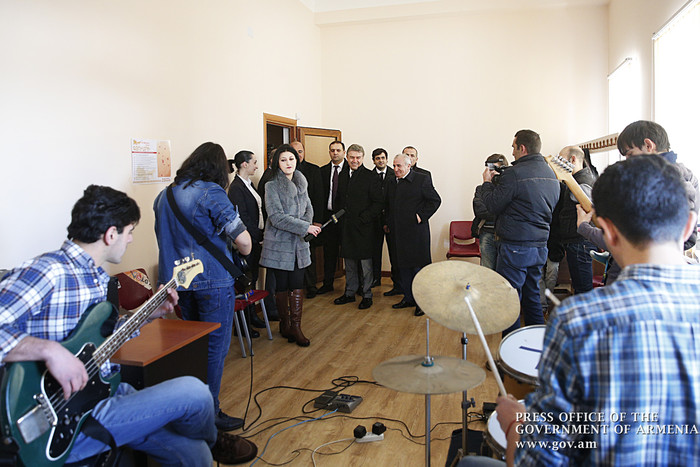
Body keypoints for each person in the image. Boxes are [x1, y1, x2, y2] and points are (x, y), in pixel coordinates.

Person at [0, 185, 256, 465]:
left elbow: (99, 343)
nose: (131, 240)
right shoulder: (49, 271)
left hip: (103, 394)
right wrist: (50, 351)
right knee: (195, 392)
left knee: (196, 455)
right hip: (65, 419)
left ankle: (207, 443)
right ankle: (213, 438)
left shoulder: (96, 279)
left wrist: (148, 315)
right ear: (111, 234)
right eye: (129, 232)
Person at [492, 154, 700, 466]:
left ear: (608, 233)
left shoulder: (578, 321)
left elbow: (536, 461)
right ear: (688, 226)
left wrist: (513, 424)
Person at [154, 142, 253, 432]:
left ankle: (192, 408)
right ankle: (209, 413)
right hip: (213, 280)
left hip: (178, 283)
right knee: (214, 350)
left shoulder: (164, 196)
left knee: (193, 349)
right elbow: (244, 242)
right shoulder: (211, 192)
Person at [476, 129, 560, 334]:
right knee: (532, 297)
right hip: (539, 246)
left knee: (510, 301)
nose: (512, 152)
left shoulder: (514, 174)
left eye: (513, 147)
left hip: (515, 247)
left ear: (522, 148)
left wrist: (486, 183)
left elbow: (492, 205)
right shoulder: (551, 174)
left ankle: (509, 351)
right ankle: (534, 346)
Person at [259, 144, 321, 346]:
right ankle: (285, 324)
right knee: (282, 286)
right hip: (279, 243)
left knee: (297, 284)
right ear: (277, 163)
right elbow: (276, 217)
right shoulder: (271, 185)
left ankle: (296, 326)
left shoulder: (302, 181)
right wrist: (304, 227)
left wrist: (306, 226)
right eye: (283, 160)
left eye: (291, 159)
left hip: (299, 243)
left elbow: (309, 208)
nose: (288, 163)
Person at [385, 153, 441, 316]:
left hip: (416, 233)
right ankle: (408, 298)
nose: (395, 169)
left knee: (418, 269)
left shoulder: (422, 179)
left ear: (409, 166)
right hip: (398, 233)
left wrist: (420, 216)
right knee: (403, 267)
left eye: (399, 166)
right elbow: (388, 205)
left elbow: (435, 200)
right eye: (394, 165)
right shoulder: (391, 181)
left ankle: (421, 303)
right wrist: (388, 222)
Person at [332, 144, 383, 310]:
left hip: (364, 228)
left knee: (366, 265)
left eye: (358, 158)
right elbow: (340, 199)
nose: (355, 160)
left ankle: (367, 295)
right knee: (349, 263)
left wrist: (364, 218)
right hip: (346, 227)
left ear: (362, 158)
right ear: (347, 157)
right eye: (352, 157)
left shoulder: (371, 176)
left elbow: (378, 203)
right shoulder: (343, 175)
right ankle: (349, 293)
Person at [548, 145, 597, 295]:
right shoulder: (574, 180)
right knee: (579, 285)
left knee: (582, 289)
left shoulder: (583, 182)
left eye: (561, 160)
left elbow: (590, 209)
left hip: (580, 242)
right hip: (576, 240)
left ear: (573, 160)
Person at [228, 150, 265, 336]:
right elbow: (242, 217)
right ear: (244, 164)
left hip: (255, 238)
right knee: (245, 281)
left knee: (253, 278)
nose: (256, 166)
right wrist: (257, 235)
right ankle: (242, 325)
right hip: (248, 240)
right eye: (254, 162)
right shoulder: (236, 188)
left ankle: (252, 315)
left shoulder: (249, 184)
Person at [291, 141, 324, 299]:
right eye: (294, 151)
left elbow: (319, 196)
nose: (298, 155)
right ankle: (295, 286)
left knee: (308, 253)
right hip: (291, 221)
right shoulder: (285, 170)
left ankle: (311, 286)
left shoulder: (314, 170)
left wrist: (317, 220)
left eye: (300, 151)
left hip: (309, 220)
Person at [317, 141, 350, 295]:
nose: (335, 153)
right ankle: (327, 283)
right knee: (329, 253)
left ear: (344, 152)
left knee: (349, 253)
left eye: (338, 150)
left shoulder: (351, 170)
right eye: (332, 150)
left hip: (346, 218)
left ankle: (352, 286)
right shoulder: (322, 171)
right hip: (328, 218)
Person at [371, 148, 401, 294]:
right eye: (377, 158)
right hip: (374, 221)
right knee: (374, 252)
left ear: (387, 159)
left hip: (391, 221)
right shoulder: (369, 176)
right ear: (373, 161)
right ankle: (375, 278)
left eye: (383, 158)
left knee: (394, 252)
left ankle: (397, 282)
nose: (381, 160)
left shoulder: (394, 174)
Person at [472, 154, 509, 270]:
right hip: (487, 234)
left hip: (505, 235)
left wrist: (493, 208)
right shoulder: (481, 189)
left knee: (505, 271)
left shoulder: (508, 189)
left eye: (495, 169)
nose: (492, 172)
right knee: (487, 271)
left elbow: (510, 211)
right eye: (489, 169)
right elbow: (480, 211)